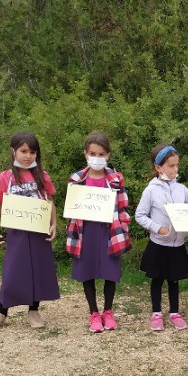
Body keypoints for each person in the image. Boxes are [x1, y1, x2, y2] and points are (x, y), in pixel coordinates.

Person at [0, 132, 60, 332]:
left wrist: (54, 224)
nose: (28, 156)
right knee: (12, 271)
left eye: (32, 152)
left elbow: (49, 201)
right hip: (16, 232)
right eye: (24, 151)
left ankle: (33, 310)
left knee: (37, 270)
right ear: (13, 151)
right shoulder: (5, 177)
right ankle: (1, 312)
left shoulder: (42, 176)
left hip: (38, 230)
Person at [65, 132, 132, 333]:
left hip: (110, 231)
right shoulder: (76, 178)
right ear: (86, 154)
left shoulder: (115, 178)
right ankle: (94, 313)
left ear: (108, 155)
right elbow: (72, 209)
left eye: (101, 154)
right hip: (85, 232)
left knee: (110, 272)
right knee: (88, 272)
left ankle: (108, 311)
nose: (97, 157)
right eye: (93, 153)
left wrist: (124, 227)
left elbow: (122, 207)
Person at [135, 144, 188, 331]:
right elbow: (140, 215)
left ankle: (174, 312)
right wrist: (157, 228)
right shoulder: (151, 190)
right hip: (159, 244)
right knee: (157, 279)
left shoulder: (182, 189)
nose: (175, 169)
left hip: (177, 244)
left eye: (177, 165)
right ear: (159, 168)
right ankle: (156, 313)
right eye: (171, 166)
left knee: (174, 279)